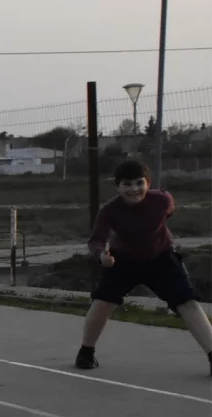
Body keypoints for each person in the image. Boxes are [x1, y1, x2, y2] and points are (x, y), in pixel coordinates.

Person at [77, 159, 212, 375]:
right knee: (103, 302)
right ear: (117, 186)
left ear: (148, 183)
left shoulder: (163, 200)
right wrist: (101, 255)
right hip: (123, 261)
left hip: (161, 258)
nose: (134, 189)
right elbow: (95, 240)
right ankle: (86, 353)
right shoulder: (110, 210)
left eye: (139, 183)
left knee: (187, 302)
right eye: (127, 184)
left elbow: (167, 214)